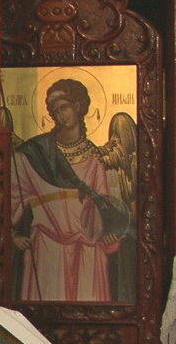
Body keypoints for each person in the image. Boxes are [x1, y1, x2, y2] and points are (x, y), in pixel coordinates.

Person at [10, 77, 135, 302]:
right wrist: (11, 235)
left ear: (78, 106)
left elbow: (103, 206)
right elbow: (12, 195)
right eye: (54, 110)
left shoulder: (95, 160)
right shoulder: (34, 154)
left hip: (88, 249)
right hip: (47, 246)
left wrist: (109, 233)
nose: (59, 115)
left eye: (64, 107)